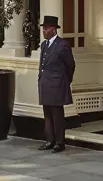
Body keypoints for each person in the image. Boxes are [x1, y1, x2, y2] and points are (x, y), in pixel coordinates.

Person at [37, 15, 75, 153]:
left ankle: (59, 142)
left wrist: (65, 80)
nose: (44, 31)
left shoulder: (63, 45)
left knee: (57, 115)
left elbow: (70, 65)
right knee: (47, 114)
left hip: (57, 84)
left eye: (46, 28)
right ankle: (49, 140)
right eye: (43, 28)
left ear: (53, 30)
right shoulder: (44, 45)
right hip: (45, 84)